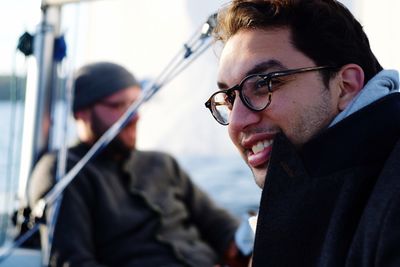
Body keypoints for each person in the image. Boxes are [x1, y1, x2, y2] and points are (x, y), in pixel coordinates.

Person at [204, 0, 400, 266]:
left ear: (345, 85)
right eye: (228, 100)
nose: (238, 122)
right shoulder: (324, 185)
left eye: (264, 83)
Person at [28, 62, 248, 267]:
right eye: (119, 105)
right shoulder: (65, 171)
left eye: (136, 104)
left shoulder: (161, 163)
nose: (134, 117)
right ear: (81, 112)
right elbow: (71, 260)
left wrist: (247, 247)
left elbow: (219, 225)